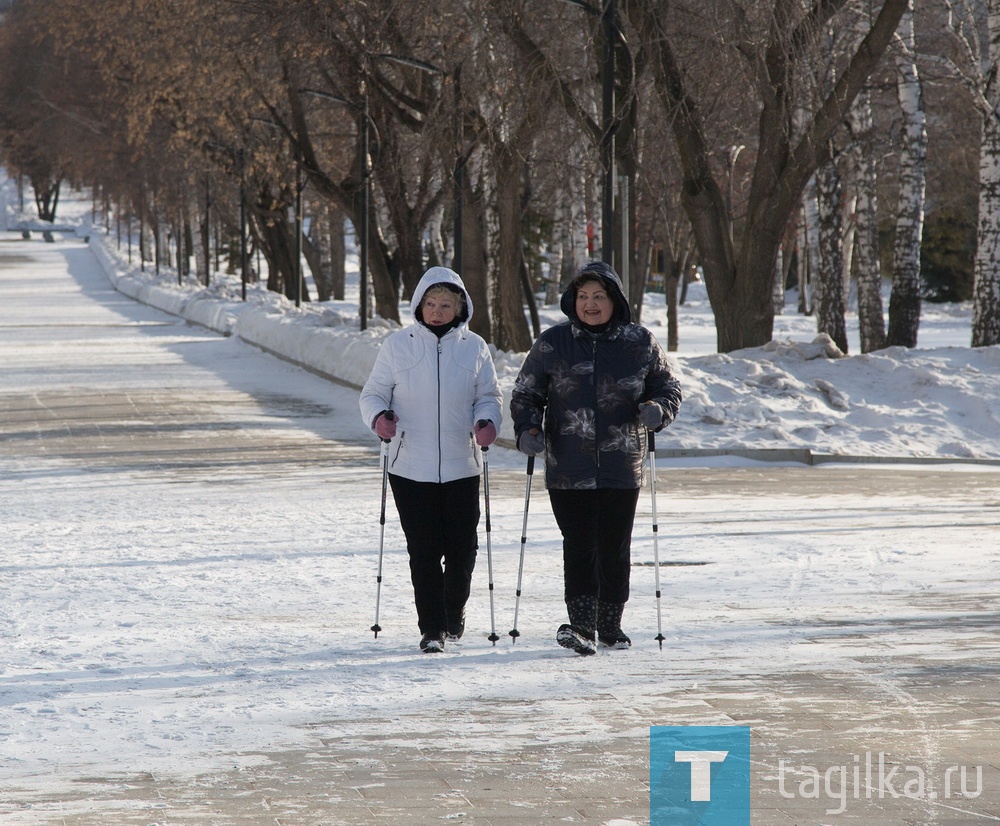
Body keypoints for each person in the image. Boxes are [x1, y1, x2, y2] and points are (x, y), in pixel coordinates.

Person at [510, 261, 682, 655]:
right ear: (573, 300)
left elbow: (668, 387)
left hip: (623, 464)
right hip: (568, 467)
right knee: (579, 543)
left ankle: (610, 625)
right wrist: (527, 429)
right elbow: (526, 394)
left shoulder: (639, 342)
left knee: (614, 546)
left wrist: (658, 409)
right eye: (583, 296)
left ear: (615, 301)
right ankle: (582, 624)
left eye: (598, 297)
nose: (590, 304)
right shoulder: (553, 342)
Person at [360, 266, 503, 653]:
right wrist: (378, 419)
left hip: (461, 463)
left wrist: (487, 420)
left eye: (446, 304)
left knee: (462, 549)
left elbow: (488, 395)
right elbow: (372, 393)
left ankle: (453, 611)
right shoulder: (397, 346)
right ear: (419, 306)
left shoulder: (474, 347)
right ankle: (432, 629)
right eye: (431, 303)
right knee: (423, 550)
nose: (437, 311)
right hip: (409, 466)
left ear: (460, 308)